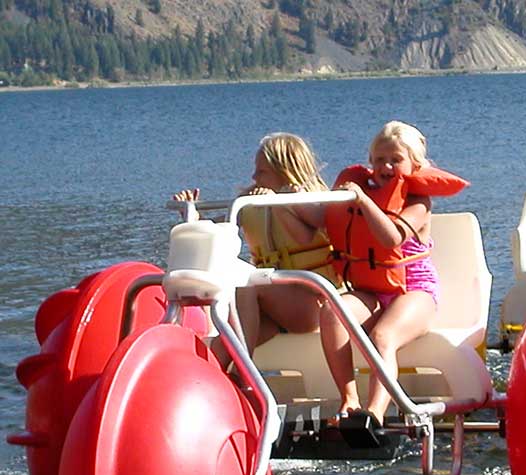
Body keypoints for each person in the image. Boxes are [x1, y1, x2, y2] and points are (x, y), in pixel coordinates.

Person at [309, 121, 467, 426]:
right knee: (332, 311)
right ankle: (349, 401)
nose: (387, 166)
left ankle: (375, 414)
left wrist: (363, 202)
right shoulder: (355, 194)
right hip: (370, 288)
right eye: (380, 159)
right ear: (370, 162)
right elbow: (320, 220)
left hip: (414, 289)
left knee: (383, 335)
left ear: (414, 164)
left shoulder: (419, 202)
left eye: (396, 159)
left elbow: (391, 238)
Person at [173, 132, 339, 363]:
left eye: (261, 172)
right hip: (274, 306)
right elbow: (217, 233)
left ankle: (245, 377)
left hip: (314, 303)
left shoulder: (311, 202)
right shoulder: (250, 201)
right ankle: (215, 383)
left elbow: (306, 236)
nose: (254, 176)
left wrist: (282, 203)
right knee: (225, 344)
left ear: (283, 171)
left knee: (247, 285)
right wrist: (192, 217)